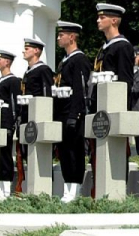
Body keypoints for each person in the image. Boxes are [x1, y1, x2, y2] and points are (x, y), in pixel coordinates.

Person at [54, 21, 93, 202]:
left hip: (73, 112)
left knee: (74, 151)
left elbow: (80, 90)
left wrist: (75, 115)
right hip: (62, 111)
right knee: (64, 152)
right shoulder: (64, 61)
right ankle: (67, 187)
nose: (58, 38)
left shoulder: (79, 59)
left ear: (72, 37)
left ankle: (75, 188)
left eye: (62, 35)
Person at [92, 3, 135, 113]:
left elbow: (125, 80)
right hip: (101, 99)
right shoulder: (104, 48)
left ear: (114, 21)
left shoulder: (122, 46)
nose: (98, 20)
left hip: (115, 102)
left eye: (102, 18)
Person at [0, 50, 22, 199]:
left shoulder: (13, 81)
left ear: (7, 62)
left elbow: (14, 104)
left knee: (6, 155)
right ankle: (0, 185)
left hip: (6, 123)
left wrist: (12, 123)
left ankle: (6, 188)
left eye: (0, 59)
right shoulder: (0, 81)